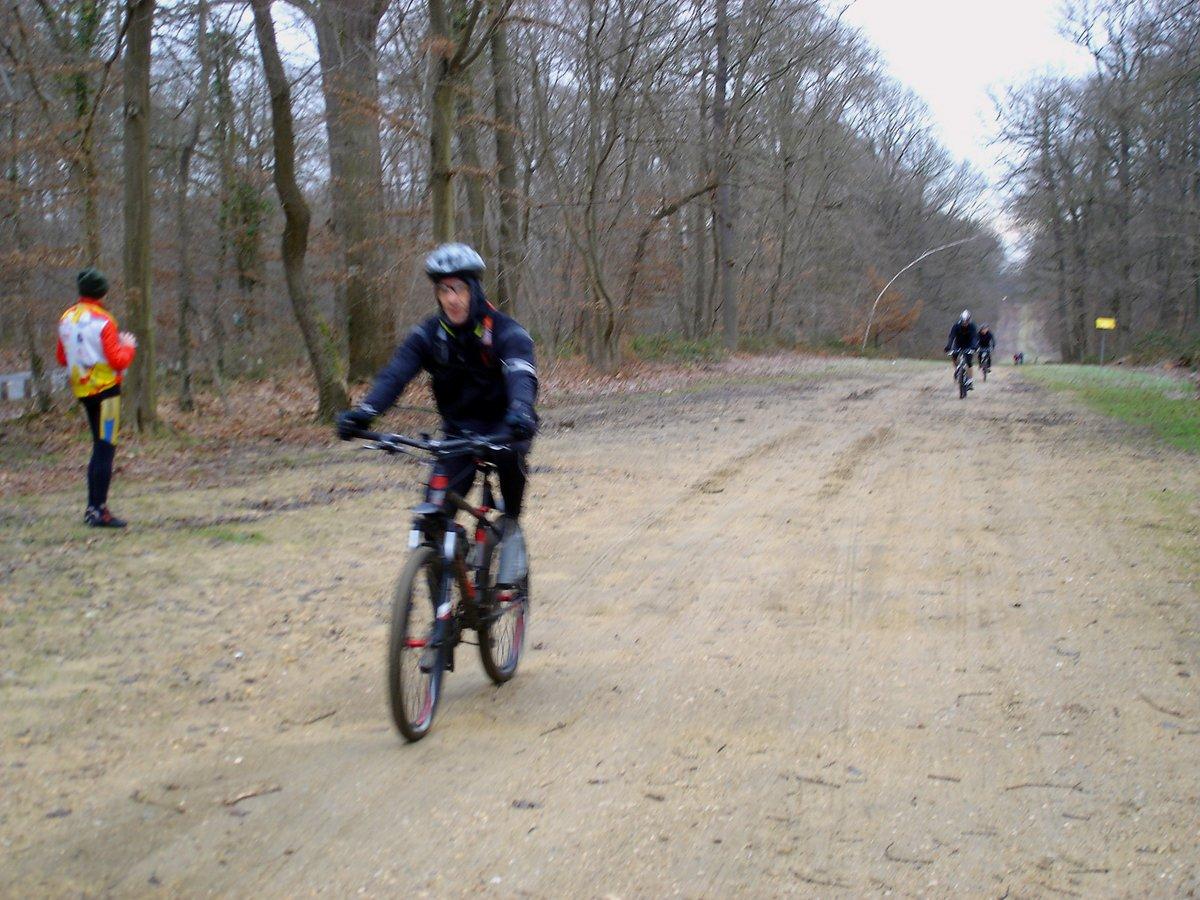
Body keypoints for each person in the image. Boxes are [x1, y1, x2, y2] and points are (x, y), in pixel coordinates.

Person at [336, 242, 538, 563]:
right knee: (433, 514)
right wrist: (365, 413)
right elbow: (395, 375)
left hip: (506, 425)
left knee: (511, 461)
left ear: (474, 289)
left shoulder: (505, 331)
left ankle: (511, 525)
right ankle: (443, 576)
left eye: (458, 289)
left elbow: (520, 372)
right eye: (444, 290)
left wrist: (521, 409)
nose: (451, 299)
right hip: (459, 431)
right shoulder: (429, 335)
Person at [56, 268, 137, 527]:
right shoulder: (104, 321)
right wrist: (128, 346)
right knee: (105, 449)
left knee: (99, 447)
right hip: (107, 394)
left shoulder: (67, 318)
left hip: (83, 392)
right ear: (103, 292)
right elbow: (118, 360)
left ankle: (94, 508)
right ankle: (97, 510)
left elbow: (62, 357)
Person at [944, 309, 978, 390]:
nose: (965, 323)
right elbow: (952, 336)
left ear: (969, 320)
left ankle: (970, 381)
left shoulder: (972, 326)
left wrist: (974, 347)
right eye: (963, 321)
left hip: (969, 345)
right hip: (958, 344)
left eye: (966, 321)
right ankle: (957, 369)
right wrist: (949, 346)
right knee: (954, 356)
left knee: (969, 363)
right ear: (961, 320)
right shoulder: (956, 326)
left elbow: (974, 337)